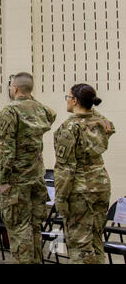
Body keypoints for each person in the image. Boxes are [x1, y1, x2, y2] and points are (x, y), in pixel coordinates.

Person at [0, 72, 56, 264]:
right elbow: (51, 114)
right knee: (35, 227)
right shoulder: (41, 110)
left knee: (19, 229)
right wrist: (30, 96)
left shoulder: (10, 111)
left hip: (17, 180)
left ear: (14, 88)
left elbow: (7, 150)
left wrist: (4, 180)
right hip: (37, 178)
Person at [54, 84, 115, 264]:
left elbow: (66, 168)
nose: (66, 99)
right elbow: (108, 125)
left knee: (80, 244)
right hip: (101, 185)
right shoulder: (101, 123)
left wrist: (61, 198)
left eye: (68, 96)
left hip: (80, 191)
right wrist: (90, 110)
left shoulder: (69, 128)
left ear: (74, 100)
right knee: (96, 239)